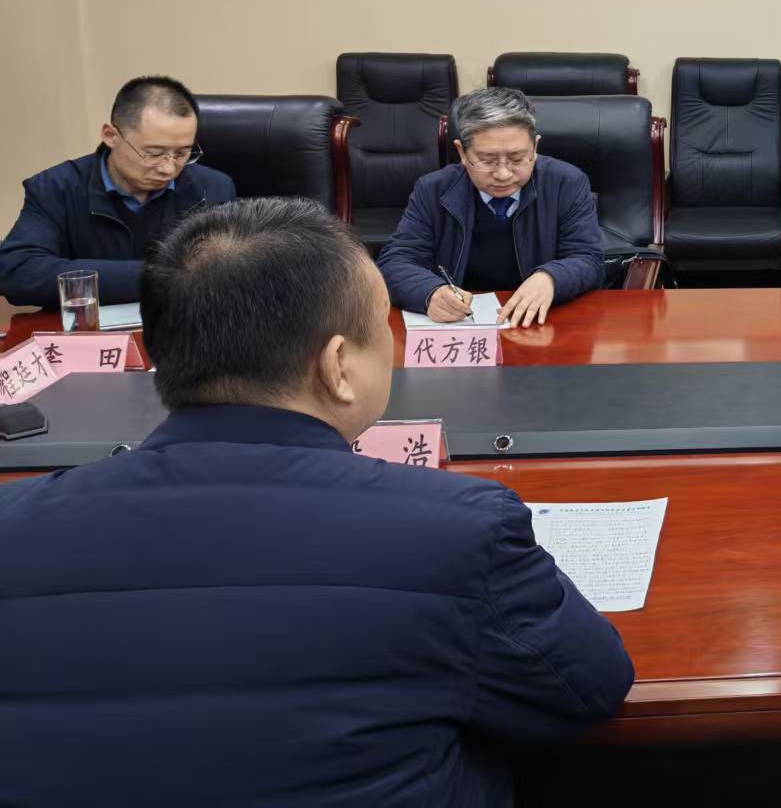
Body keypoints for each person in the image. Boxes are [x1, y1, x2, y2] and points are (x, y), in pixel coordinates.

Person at [0, 198, 633, 805]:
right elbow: (587, 688)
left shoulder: (14, 523)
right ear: (337, 365)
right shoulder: (460, 532)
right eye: (381, 327)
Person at [0, 75, 236, 307]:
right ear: (111, 136)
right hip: (84, 327)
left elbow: (230, 275)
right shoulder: (55, 187)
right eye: (153, 154)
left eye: (182, 153)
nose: (168, 168)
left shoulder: (212, 188)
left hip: (180, 325)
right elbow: (18, 272)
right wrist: (163, 276)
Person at [379, 87, 604, 327]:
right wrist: (430, 291)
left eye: (517, 159)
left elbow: (588, 258)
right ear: (462, 152)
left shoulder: (566, 183)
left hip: (541, 324)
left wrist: (551, 278)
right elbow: (396, 261)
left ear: (535, 148)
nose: (503, 174)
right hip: (462, 326)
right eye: (487, 160)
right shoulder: (432, 190)